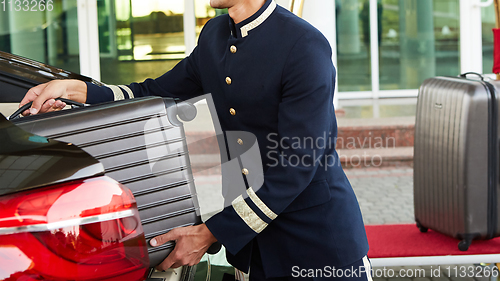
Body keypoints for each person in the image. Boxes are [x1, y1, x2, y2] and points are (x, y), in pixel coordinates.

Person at [20, 0, 370, 280]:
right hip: (253, 243)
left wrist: (210, 232)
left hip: (316, 242)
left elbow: (296, 166)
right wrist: (72, 90)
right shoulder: (216, 34)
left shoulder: (303, 46)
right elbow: (152, 93)